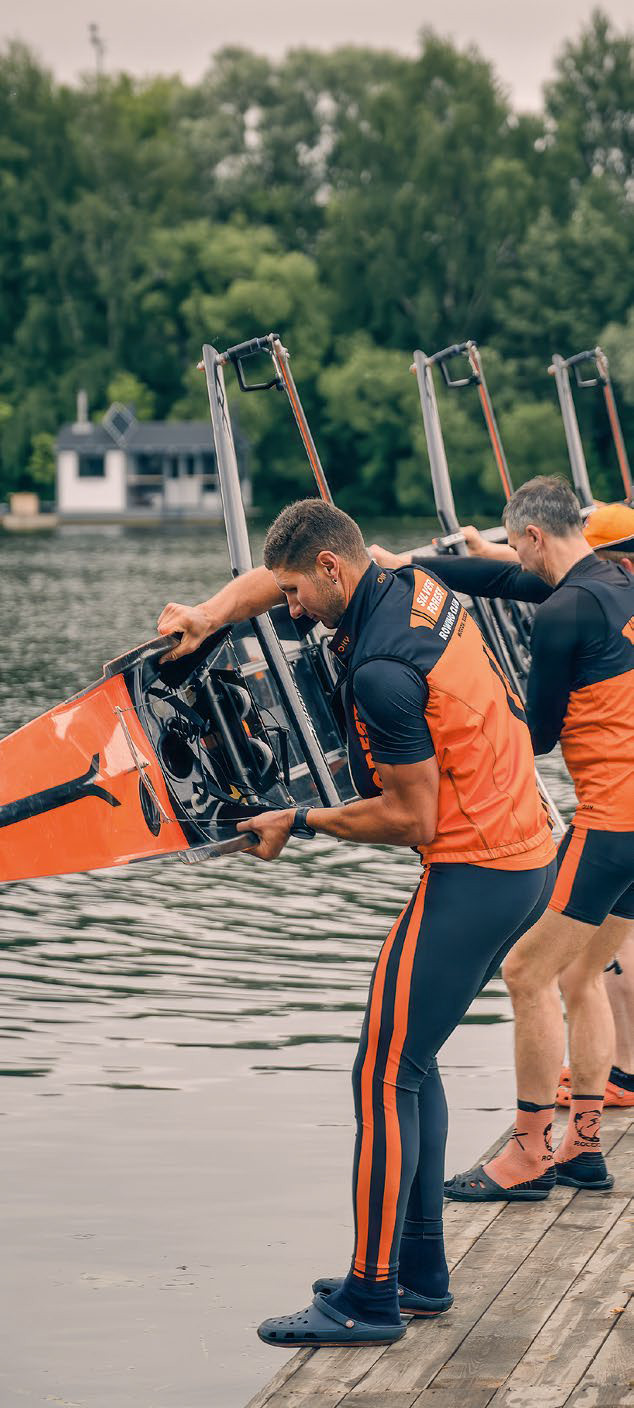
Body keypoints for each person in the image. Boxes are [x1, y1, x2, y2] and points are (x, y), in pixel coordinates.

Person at [157, 498, 556, 1347]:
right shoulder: (402, 579)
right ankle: (420, 1274)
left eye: (297, 594)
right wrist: (209, 614)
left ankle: (370, 1298)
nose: (289, 608)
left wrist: (299, 821)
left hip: (477, 869)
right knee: (413, 1060)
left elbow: (412, 817)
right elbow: (283, 570)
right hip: (525, 854)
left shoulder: (380, 667)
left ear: (333, 571)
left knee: (379, 1074)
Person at [371, 479, 634, 1199]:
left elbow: (538, 734)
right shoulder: (615, 579)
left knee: (527, 973)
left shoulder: (563, 614)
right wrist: (407, 566)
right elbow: (506, 579)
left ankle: (527, 1153)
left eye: (518, 547)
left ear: (535, 537)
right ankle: (583, 1148)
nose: (516, 560)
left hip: (613, 825)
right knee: (581, 976)